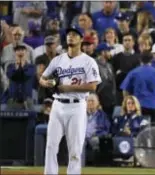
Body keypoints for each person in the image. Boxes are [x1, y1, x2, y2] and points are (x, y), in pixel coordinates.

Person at [39, 26, 101, 174]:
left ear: (81, 39)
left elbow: (93, 86)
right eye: (68, 34)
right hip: (57, 105)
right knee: (50, 146)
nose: (70, 37)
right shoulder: (58, 60)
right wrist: (45, 83)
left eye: (74, 34)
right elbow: (43, 77)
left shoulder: (88, 61)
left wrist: (67, 88)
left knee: (75, 149)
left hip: (77, 106)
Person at [120, 51, 155, 125]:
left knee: (139, 132)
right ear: (151, 59)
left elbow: (125, 90)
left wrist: (126, 103)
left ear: (140, 59)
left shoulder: (133, 73)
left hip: (139, 106)